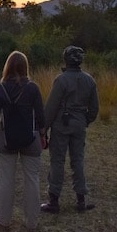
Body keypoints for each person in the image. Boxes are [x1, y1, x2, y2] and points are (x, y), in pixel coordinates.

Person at [0, 51, 46, 232]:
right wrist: (43, 136)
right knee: (32, 180)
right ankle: (32, 223)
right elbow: (41, 116)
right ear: (25, 67)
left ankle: (3, 220)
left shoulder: (1, 88)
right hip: (31, 138)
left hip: (7, 139)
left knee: (6, 180)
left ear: (8, 67)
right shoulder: (33, 88)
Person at [41, 45, 99, 214]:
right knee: (78, 160)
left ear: (66, 59)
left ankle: (54, 200)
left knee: (57, 161)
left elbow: (51, 107)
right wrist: (84, 120)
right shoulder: (89, 80)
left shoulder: (61, 80)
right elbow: (94, 109)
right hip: (79, 124)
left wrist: (43, 128)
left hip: (61, 125)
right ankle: (81, 199)